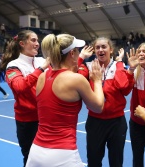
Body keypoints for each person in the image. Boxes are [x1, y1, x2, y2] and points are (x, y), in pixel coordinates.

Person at [25, 34, 104, 167]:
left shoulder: (43, 76)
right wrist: (97, 80)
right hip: (62, 154)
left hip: (36, 151)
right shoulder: (76, 79)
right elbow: (98, 107)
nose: (79, 53)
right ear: (72, 53)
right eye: (78, 51)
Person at [78, 37, 134, 167]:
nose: (100, 50)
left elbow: (124, 88)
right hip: (95, 122)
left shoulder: (118, 67)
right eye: (97, 47)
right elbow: (73, 77)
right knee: (93, 160)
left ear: (111, 49)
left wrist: (119, 62)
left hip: (116, 122)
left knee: (116, 161)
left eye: (104, 47)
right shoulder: (88, 66)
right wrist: (81, 57)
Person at [0, 30, 50, 167]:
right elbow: (20, 87)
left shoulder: (42, 60)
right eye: (33, 40)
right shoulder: (13, 66)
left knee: (49, 157)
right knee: (31, 158)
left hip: (47, 118)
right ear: (22, 43)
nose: (37, 44)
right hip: (28, 121)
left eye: (37, 40)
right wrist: (41, 69)